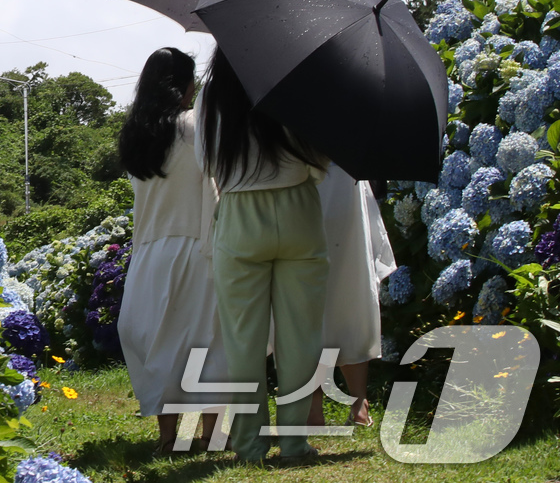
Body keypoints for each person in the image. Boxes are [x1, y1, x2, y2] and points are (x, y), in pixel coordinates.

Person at [197, 47, 329, 463]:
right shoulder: (292, 85)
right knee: (301, 337)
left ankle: (250, 444)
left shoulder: (211, 96)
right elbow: (320, 161)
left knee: (242, 341)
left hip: (239, 214)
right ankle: (294, 441)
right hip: (298, 210)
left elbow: (207, 163)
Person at [117, 48, 224, 454]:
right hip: (196, 245)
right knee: (208, 341)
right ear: (183, 84)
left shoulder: (135, 135)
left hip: (149, 250)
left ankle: (168, 436)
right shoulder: (197, 127)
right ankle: (213, 434)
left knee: (159, 341)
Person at [307, 165, 395, 427]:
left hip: (310, 186)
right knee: (350, 295)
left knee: (308, 302)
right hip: (345, 185)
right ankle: (358, 404)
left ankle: (315, 409)